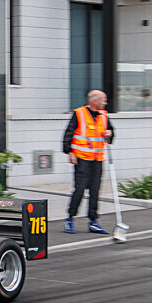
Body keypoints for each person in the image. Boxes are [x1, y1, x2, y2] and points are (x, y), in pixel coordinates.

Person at [63, 90, 115, 234]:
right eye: (103, 100)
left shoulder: (104, 115)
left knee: (95, 191)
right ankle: (70, 218)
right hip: (82, 159)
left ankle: (93, 221)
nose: (105, 103)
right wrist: (69, 151)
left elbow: (110, 132)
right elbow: (68, 133)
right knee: (79, 189)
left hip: (97, 159)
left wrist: (109, 133)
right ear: (94, 100)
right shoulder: (79, 114)